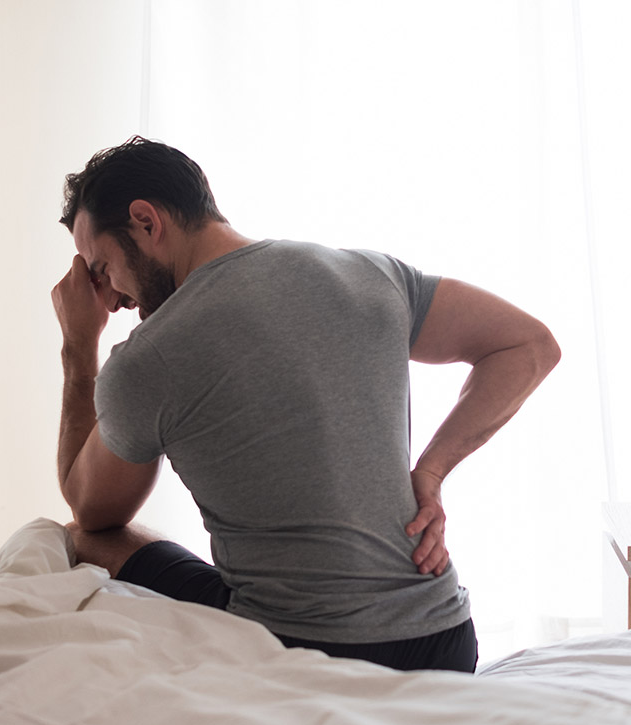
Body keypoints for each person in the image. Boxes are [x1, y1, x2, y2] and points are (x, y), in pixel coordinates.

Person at [51, 136, 560, 673]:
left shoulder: (147, 358)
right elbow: (529, 345)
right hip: (445, 641)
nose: (111, 297)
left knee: (83, 538)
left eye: (101, 267)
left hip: (304, 648)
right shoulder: (369, 274)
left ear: (146, 222)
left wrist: (78, 345)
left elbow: (91, 509)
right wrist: (430, 472)